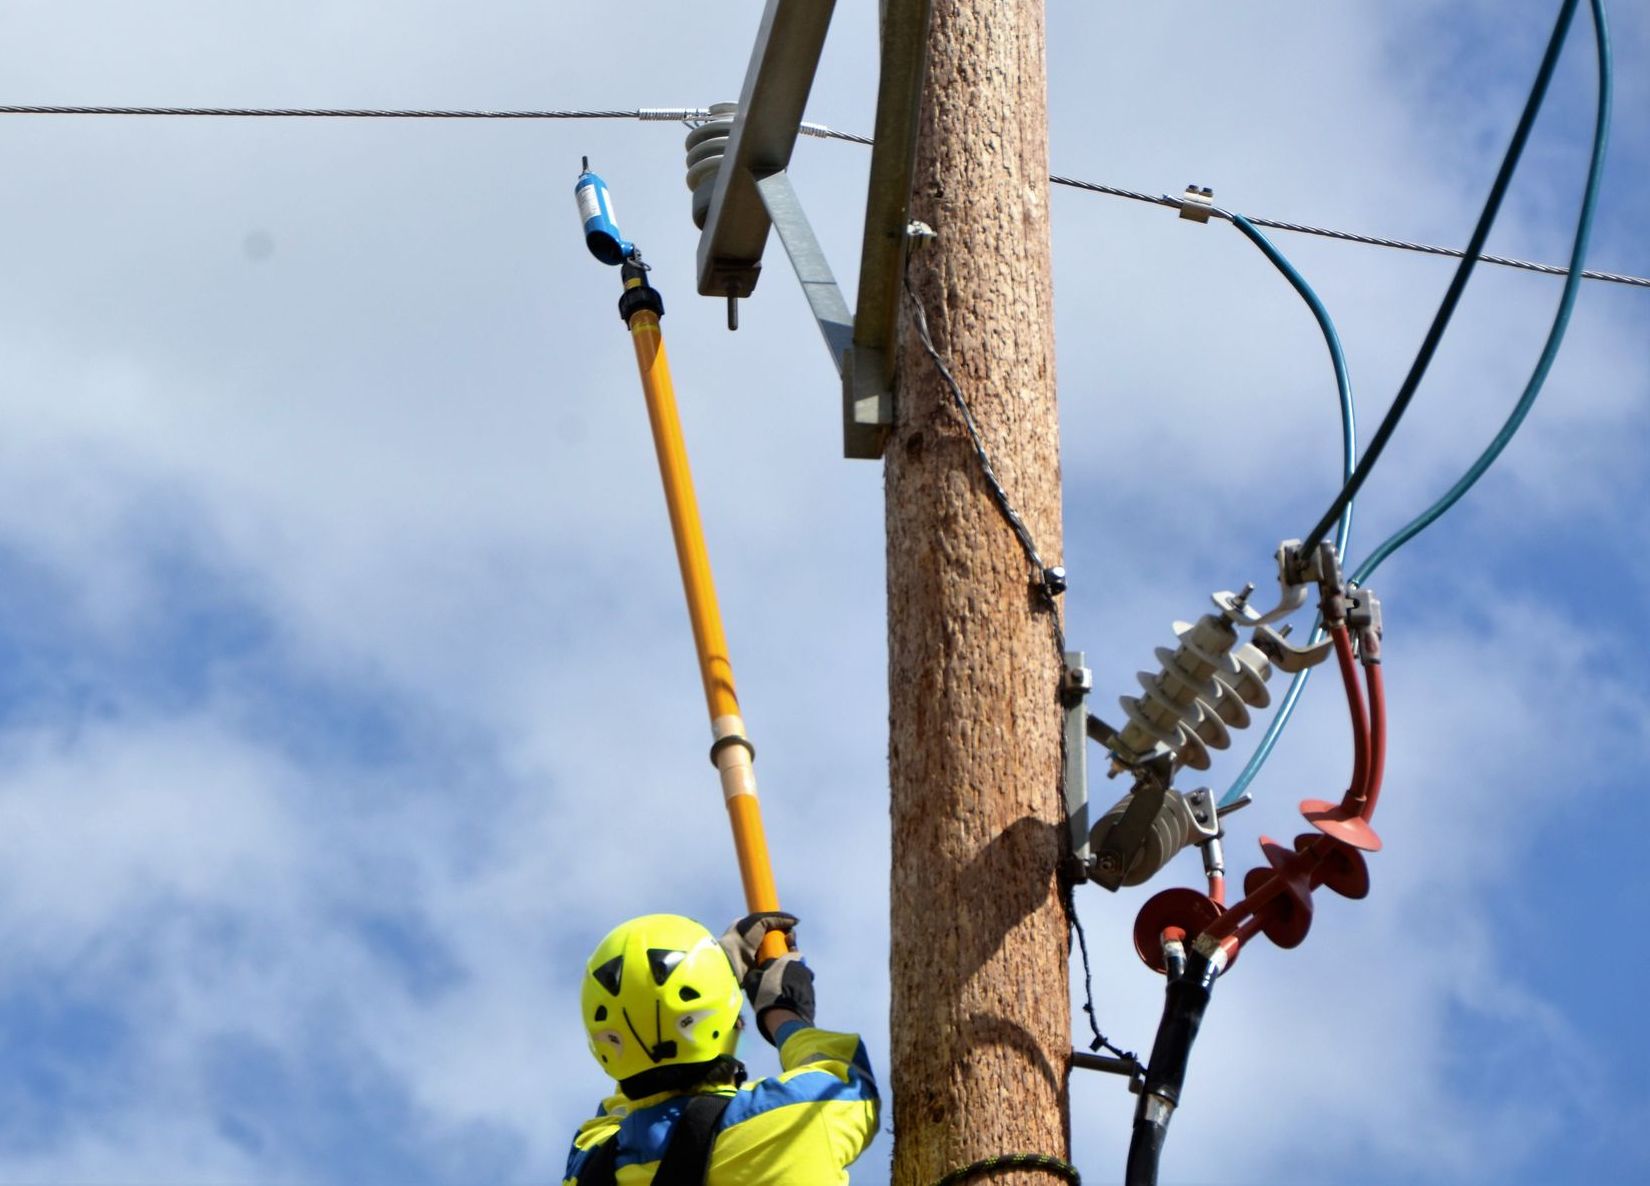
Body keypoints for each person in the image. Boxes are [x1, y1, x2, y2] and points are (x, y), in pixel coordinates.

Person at [563, 911, 879, 1185]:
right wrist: (783, 1010)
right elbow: (849, 1077)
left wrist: (715, 978)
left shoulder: (589, 1166)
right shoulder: (789, 1120)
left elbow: (628, 1102)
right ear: (729, 1023)